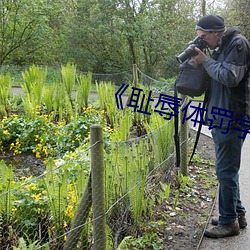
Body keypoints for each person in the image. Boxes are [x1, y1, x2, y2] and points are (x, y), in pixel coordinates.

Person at [192, 15, 250, 238]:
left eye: (204, 37)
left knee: (225, 171)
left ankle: (228, 223)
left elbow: (229, 77)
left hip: (232, 118)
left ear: (216, 32)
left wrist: (205, 61)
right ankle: (237, 214)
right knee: (227, 170)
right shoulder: (221, 46)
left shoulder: (238, 44)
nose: (203, 41)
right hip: (220, 116)